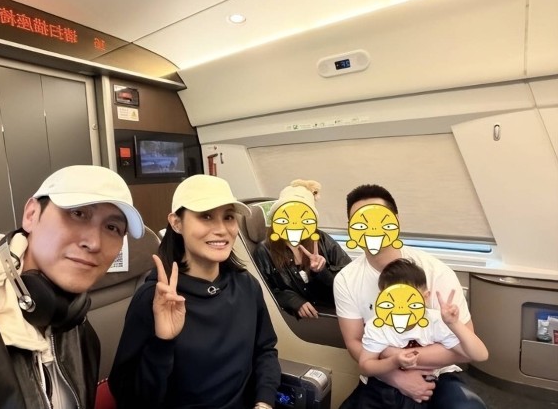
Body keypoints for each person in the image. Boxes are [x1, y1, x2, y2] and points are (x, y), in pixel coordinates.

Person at [0, 165, 145, 409]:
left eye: (112, 228)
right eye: (78, 214)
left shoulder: (80, 334)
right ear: (31, 214)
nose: (94, 243)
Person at [109, 174, 281, 409]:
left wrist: (264, 402)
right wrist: (162, 344)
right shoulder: (156, 297)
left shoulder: (246, 285)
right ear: (176, 223)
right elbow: (129, 398)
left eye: (228, 217)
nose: (221, 229)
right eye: (206, 216)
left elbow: (265, 350)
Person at [334, 183, 487, 408]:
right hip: (382, 376)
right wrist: (395, 375)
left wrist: (399, 356)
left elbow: (465, 349)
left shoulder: (436, 271)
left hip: (438, 373)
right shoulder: (346, 279)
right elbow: (354, 342)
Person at [358, 258, 488, 408]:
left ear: (425, 297)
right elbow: (365, 366)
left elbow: (480, 355)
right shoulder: (377, 326)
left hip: (436, 379)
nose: (401, 308)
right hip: (387, 384)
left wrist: (454, 324)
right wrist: (394, 361)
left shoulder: (435, 321)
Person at [253, 179, 351, 319]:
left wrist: (321, 272)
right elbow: (262, 291)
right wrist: (292, 300)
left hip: (333, 310)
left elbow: (349, 279)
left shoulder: (322, 239)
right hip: (296, 320)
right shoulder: (264, 250)